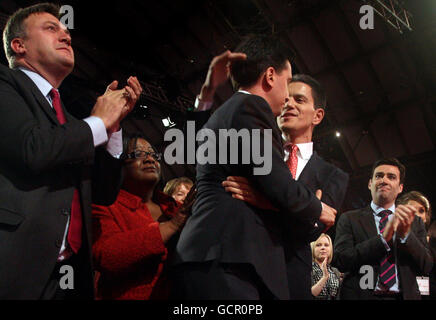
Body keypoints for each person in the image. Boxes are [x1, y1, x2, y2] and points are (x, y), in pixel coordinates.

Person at [172, 34, 337, 300]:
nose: (287, 98)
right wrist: (318, 208)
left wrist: (206, 93)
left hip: (207, 256)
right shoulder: (252, 108)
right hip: (228, 258)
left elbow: (190, 150)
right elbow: (276, 181)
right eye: (288, 81)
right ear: (271, 76)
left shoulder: (227, 111)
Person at [0, 3, 142, 299]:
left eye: (66, 31)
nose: (66, 36)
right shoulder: (5, 84)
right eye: (51, 28)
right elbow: (33, 149)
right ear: (19, 45)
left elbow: (102, 194)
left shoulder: (70, 121)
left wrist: (113, 128)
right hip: (14, 267)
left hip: (68, 277)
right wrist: (99, 121)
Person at [221, 74, 349, 299]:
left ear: (317, 116)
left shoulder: (334, 176)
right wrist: (306, 206)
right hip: (243, 272)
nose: (289, 103)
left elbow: (310, 229)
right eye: (286, 98)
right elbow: (236, 205)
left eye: (299, 100)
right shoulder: (256, 154)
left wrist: (263, 201)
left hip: (292, 279)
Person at [92, 134, 188, 299]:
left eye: (153, 154)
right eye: (137, 154)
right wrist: (171, 226)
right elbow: (107, 256)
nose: (150, 159)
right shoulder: (105, 206)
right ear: (119, 165)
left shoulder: (173, 207)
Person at [333, 158, 433, 300]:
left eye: (391, 177)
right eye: (379, 176)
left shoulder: (415, 222)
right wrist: (382, 240)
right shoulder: (349, 218)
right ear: (370, 183)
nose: (384, 180)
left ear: (400, 187)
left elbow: (427, 265)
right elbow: (341, 261)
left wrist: (406, 236)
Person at [310, 233, 342, 300]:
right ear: (313, 248)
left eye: (326, 245)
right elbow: (310, 293)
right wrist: (325, 277)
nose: (323, 248)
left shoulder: (335, 271)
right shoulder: (308, 269)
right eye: (318, 245)